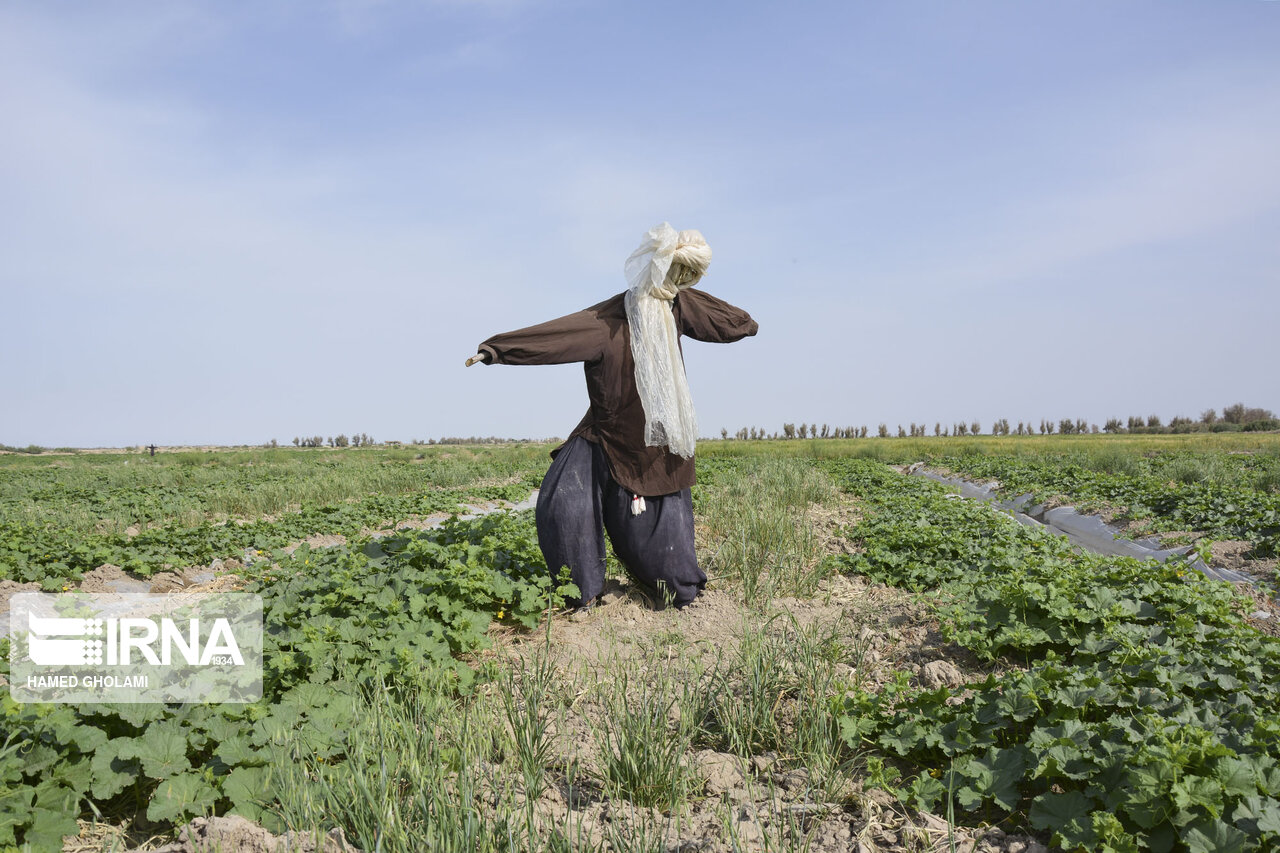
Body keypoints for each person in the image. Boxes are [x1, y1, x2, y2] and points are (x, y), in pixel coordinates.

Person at [466, 223, 758, 610]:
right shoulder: (609, 318)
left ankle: (670, 589)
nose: (676, 282)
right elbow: (555, 336)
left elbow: (737, 322)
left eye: (685, 277)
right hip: (605, 436)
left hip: (658, 446)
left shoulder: (679, 307)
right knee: (563, 506)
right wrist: (498, 349)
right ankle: (582, 594)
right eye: (675, 273)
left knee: (667, 568)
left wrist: (686, 294)